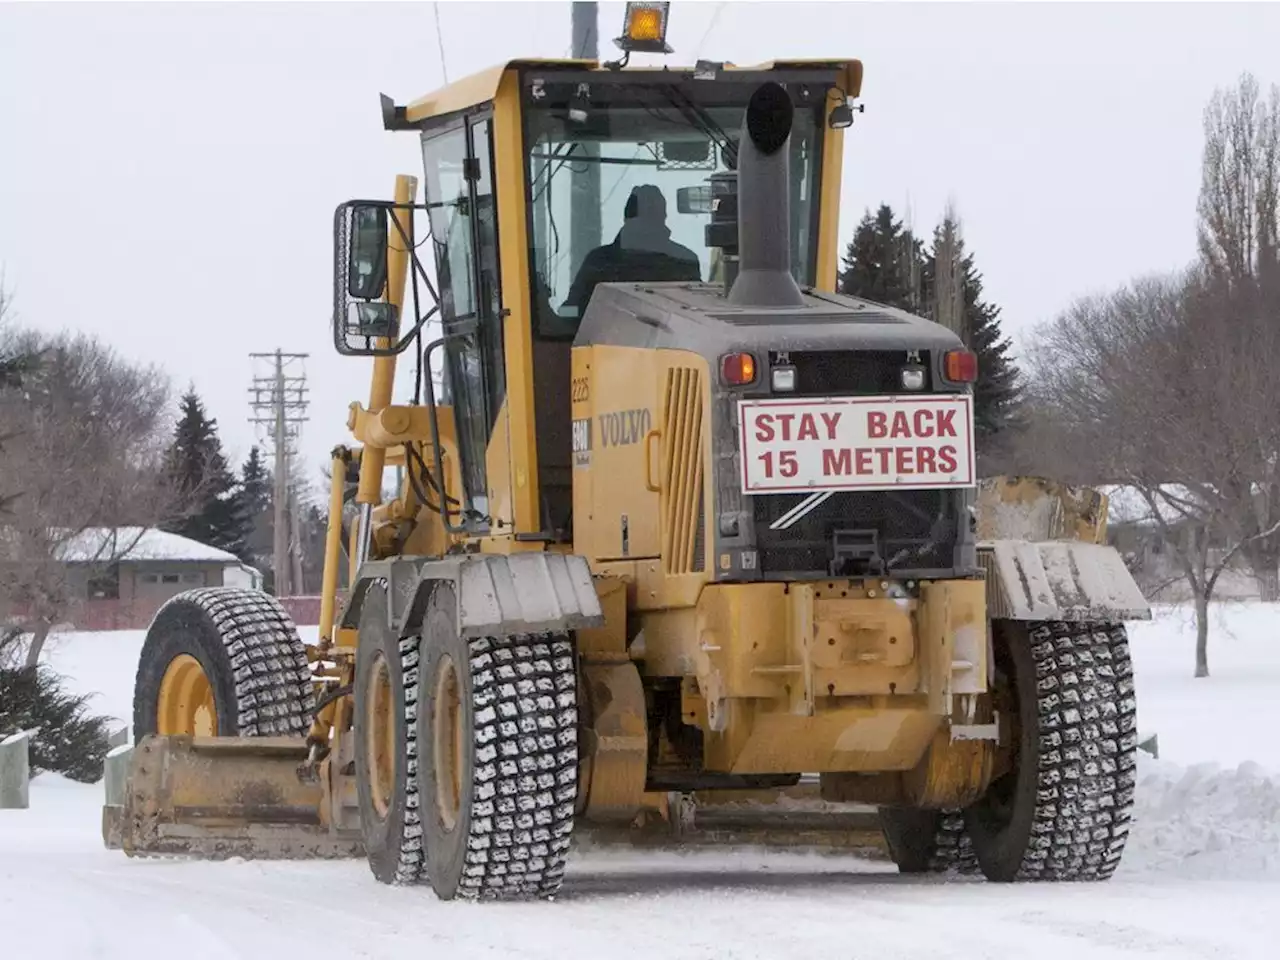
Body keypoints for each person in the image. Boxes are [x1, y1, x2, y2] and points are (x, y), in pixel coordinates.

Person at [563, 184, 702, 313]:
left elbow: (697, 313)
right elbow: (571, 311)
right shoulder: (683, 260)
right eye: (649, 215)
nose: (650, 225)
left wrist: (566, 315)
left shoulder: (599, 260)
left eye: (654, 215)